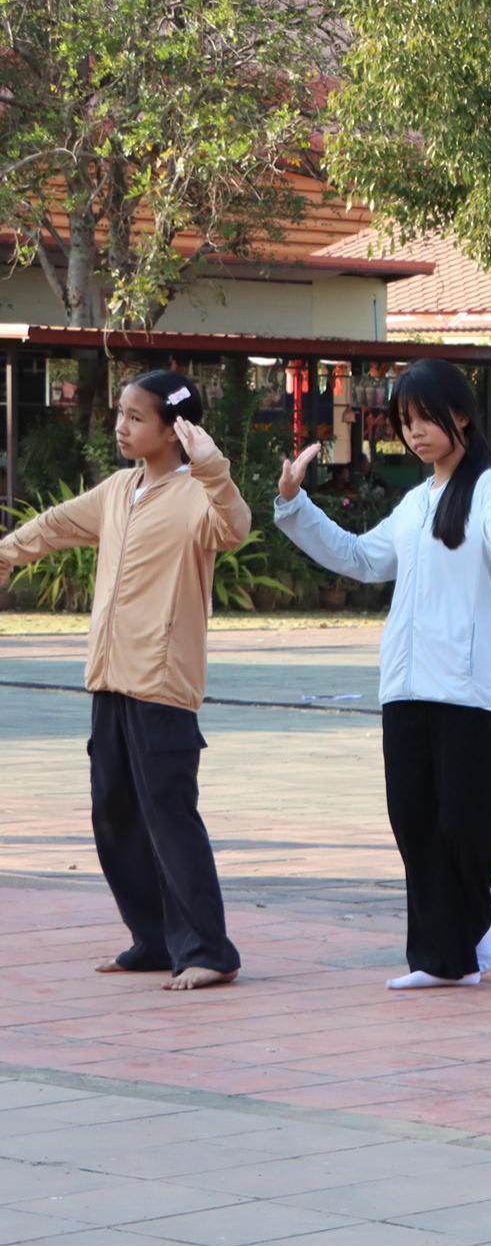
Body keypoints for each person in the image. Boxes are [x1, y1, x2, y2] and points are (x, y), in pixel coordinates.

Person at [272, 360, 491, 989]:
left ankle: (468, 925)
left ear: (462, 416)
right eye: (405, 421)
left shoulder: (487, 489)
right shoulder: (413, 503)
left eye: (427, 418)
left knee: (469, 822)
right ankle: (440, 957)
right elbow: (358, 557)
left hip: (466, 688)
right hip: (405, 685)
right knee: (414, 822)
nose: (415, 432)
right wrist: (296, 505)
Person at [0, 372, 250, 992]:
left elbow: (236, 525)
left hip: (162, 684)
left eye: (136, 417)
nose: (122, 426)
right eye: (121, 413)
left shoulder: (199, 497)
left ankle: (209, 949)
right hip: (109, 679)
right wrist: (6, 552)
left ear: (175, 429)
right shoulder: (119, 489)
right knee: (113, 814)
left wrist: (213, 468)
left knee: (169, 817)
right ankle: (154, 938)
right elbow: (56, 524)